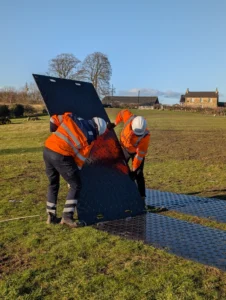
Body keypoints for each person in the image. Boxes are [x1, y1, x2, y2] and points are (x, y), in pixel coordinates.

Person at [43, 112, 107, 228]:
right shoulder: (90, 139)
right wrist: (72, 178)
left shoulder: (72, 118)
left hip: (48, 149)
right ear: (97, 131)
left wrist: (54, 135)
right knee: (76, 185)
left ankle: (51, 215)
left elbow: (53, 120)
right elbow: (80, 159)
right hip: (61, 155)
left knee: (53, 183)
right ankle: (67, 217)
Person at [107, 109, 150, 200]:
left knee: (139, 174)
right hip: (124, 149)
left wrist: (134, 171)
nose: (137, 135)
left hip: (135, 152)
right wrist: (115, 123)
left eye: (139, 134)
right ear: (132, 125)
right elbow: (122, 113)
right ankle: (117, 191)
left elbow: (139, 155)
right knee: (119, 168)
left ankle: (142, 197)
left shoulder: (145, 136)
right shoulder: (129, 118)